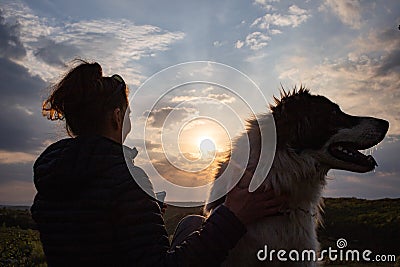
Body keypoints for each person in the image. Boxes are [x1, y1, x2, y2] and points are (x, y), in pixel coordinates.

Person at [31, 60, 285, 266]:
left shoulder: (51, 178)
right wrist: (234, 217)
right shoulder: (126, 178)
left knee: (191, 223)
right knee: (197, 224)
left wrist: (142, 210)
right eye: (128, 114)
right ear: (116, 117)